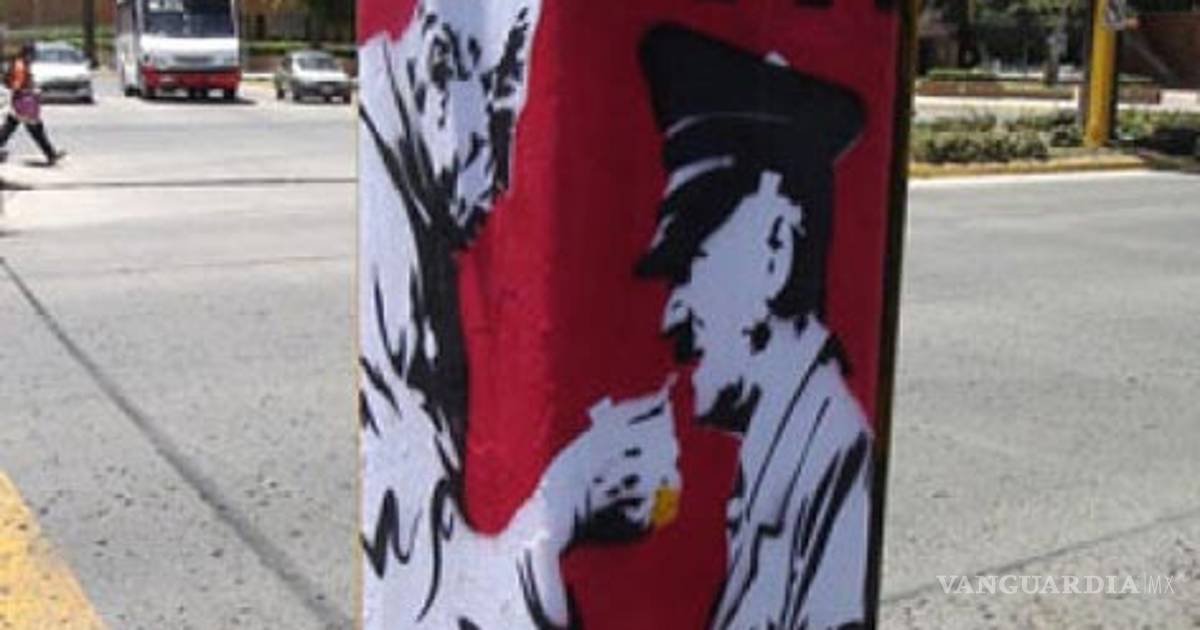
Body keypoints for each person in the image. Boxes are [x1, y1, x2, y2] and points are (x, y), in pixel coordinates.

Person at [636, 25, 875, 629]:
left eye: (689, 267)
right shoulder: (782, 452)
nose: (671, 313)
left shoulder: (827, 455)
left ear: (775, 250)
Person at [1, 44, 66, 165]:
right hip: (23, 103)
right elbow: (16, 86)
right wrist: (32, 91)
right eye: (33, 54)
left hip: (21, 103)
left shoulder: (21, 64)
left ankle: (51, 154)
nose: (33, 57)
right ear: (28, 54)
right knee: (35, 129)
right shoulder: (20, 66)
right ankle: (51, 154)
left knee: (10, 128)